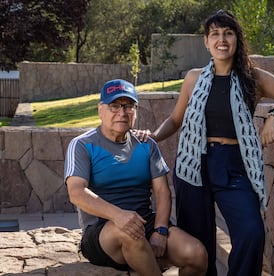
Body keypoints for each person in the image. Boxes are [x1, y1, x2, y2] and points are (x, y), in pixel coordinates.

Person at [139, 9, 274, 276]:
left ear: (237, 39)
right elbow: (175, 120)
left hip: (233, 164)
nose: (222, 40)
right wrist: (154, 135)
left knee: (252, 232)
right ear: (206, 41)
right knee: (200, 245)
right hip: (192, 165)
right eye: (215, 34)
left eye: (228, 33)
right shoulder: (193, 78)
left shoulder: (253, 78)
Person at [64, 79, 208, 276]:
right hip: (101, 231)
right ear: (100, 110)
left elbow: (162, 191)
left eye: (128, 106)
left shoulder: (146, 145)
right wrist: (118, 215)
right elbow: (77, 193)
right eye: (114, 106)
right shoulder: (82, 145)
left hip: (145, 222)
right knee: (128, 232)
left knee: (196, 254)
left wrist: (161, 230)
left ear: (135, 111)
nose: (122, 113)